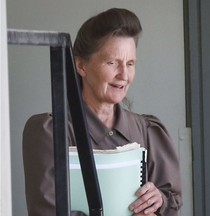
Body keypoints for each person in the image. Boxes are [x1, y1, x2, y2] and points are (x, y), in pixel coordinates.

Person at [23, 8, 182, 216]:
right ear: (81, 66)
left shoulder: (149, 130)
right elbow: (47, 212)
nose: (123, 75)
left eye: (130, 63)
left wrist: (157, 200)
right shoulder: (50, 132)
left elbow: (173, 204)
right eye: (112, 62)